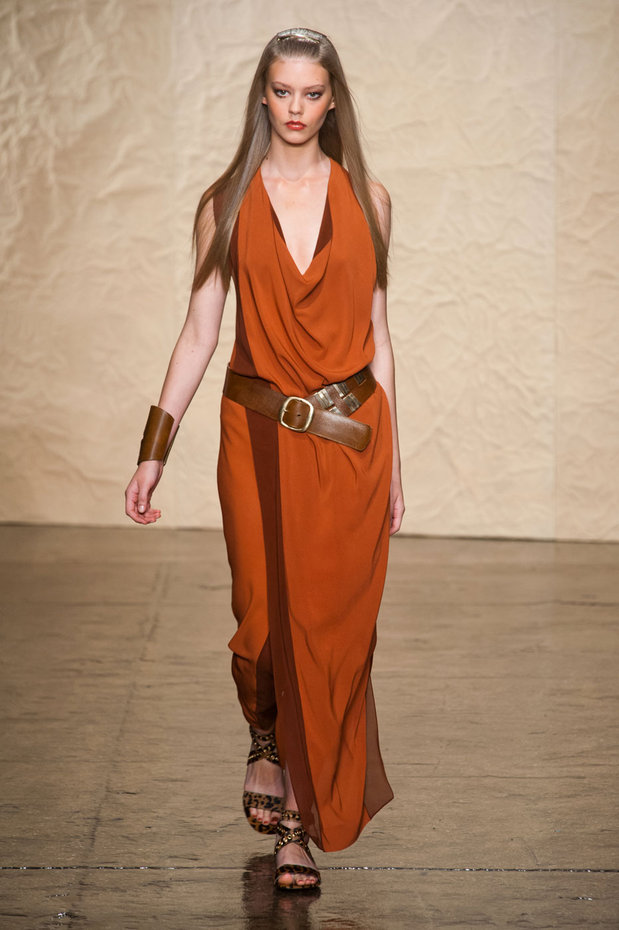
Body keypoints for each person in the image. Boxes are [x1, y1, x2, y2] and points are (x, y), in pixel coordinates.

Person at [125, 26, 404, 892]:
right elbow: (199, 331)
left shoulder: (369, 200)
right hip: (255, 436)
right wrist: (153, 451)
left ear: (332, 100)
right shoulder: (225, 201)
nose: (295, 108)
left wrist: (397, 466)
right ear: (261, 95)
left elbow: (379, 337)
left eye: (311, 93)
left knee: (331, 632)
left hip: (351, 440)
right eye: (282, 91)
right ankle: (264, 734)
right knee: (261, 622)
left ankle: (296, 824)